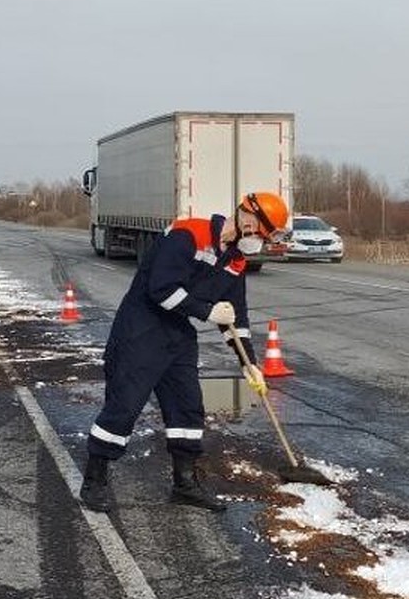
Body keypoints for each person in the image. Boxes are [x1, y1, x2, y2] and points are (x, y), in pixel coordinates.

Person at [80, 191, 290, 513]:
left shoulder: (234, 260)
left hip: (178, 334)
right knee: (125, 404)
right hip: (142, 327)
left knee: (188, 406)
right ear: (248, 220)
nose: (262, 242)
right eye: (263, 234)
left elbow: (236, 316)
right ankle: (95, 480)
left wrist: (248, 362)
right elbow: (161, 290)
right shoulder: (189, 235)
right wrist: (207, 312)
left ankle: (185, 483)